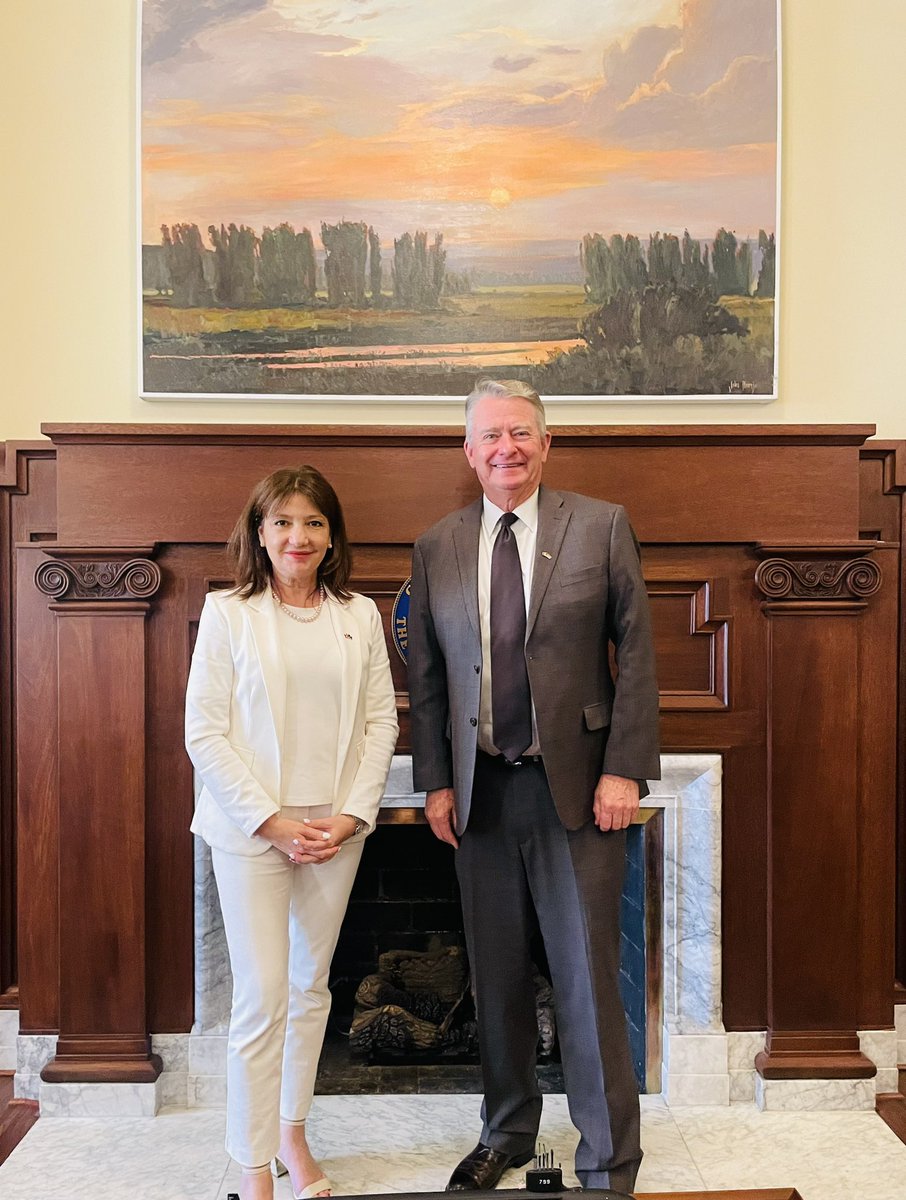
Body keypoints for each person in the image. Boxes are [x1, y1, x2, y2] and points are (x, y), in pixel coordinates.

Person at [408, 379, 660, 1194]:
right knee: (498, 975)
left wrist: (624, 768)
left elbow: (639, 654)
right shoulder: (438, 544)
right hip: (480, 796)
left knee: (588, 980)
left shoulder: (602, 524)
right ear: (469, 451)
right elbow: (432, 678)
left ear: (546, 444)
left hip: (580, 791)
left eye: (521, 433)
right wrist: (436, 784)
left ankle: (609, 1160)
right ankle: (507, 1131)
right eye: (490, 436)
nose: (506, 448)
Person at [185, 466, 398, 1200]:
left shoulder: (359, 615)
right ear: (259, 532)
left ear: (331, 534)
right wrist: (272, 822)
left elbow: (381, 723)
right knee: (263, 997)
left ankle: (291, 1135)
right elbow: (204, 733)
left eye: (311, 522)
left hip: (334, 831)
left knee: (311, 990)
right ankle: (252, 1169)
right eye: (282, 522)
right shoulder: (228, 614)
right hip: (252, 833)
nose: (297, 536)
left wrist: (349, 816)